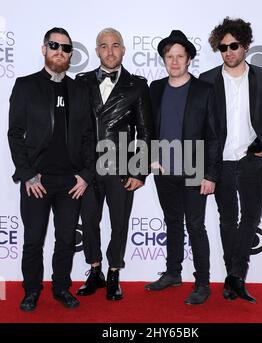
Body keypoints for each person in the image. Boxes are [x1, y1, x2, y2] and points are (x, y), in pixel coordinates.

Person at [8, 27, 95, 311]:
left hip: (70, 181)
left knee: (66, 239)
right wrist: (27, 173)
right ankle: (31, 290)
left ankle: (61, 288)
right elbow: (15, 133)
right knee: (33, 239)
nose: (60, 51)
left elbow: (89, 138)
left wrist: (85, 174)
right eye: (54, 45)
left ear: (71, 55)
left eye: (66, 48)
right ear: (44, 48)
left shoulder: (79, 90)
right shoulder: (25, 85)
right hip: (37, 180)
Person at [199, 18, 262, 303]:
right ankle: (233, 277)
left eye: (234, 46)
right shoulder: (208, 80)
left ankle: (235, 276)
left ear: (245, 46)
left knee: (251, 216)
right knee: (227, 219)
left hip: (250, 161)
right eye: (223, 47)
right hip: (220, 162)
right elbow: (202, 125)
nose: (228, 52)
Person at [144, 30, 221, 305]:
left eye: (180, 56)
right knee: (172, 222)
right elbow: (148, 127)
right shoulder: (155, 88)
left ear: (188, 59)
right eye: (169, 56)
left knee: (196, 226)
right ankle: (173, 273)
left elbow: (214, 135)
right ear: (164, 60)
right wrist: (150, 157)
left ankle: (202, 283)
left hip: (194, 171)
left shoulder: (204, 90)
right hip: (164, 172)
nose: (174, 62)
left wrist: (210, 174)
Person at [76, 28, 152, 300]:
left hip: (120, 166)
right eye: (104, 46)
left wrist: (139, 170)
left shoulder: (137, 85)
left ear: (123, 49)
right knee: (89, 220)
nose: (110, 51)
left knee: (119, 222)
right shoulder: (80, 81)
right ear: (96, 51)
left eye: (115, 45)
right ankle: (95, 270)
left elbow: (145, 132)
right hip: (86, 167)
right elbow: (72, 127)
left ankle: (114, 273)